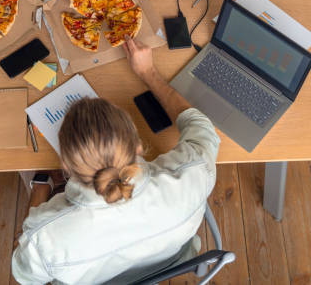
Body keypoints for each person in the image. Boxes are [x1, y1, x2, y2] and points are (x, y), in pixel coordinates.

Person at [12, 38, 220, 285]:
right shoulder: (192, 174)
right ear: (139, 146)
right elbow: (201, 127)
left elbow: (25, 278)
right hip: (170, 260)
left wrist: (40, 186)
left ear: (65, 167)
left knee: (26, 169)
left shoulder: (43, 238)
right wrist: (148, 73)